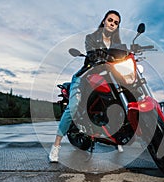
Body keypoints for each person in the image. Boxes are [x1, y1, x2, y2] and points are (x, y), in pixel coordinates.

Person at [49, 10, 124, 162]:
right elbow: (92, 54)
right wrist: (99, 56)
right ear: (104, 21)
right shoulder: (91, 38)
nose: (112, 24)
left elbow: (123, 55)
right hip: (85, 76)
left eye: (116, 23)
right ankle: (56, 146)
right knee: (74, 106)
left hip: (108, 77)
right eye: (110, 20)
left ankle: (118, 136)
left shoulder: (118, 44)